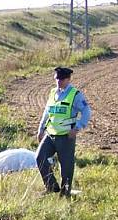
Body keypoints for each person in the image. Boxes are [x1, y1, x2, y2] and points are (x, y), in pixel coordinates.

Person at [36, 66, 91, 196]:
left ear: (68, 79)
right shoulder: (52, 92)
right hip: (50, 134)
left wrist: (78, 127)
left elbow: (86, 111)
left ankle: (65, 193)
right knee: (40, 157)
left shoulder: (75, 95)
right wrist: (41, 129)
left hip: (66, 136)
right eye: (57, 79)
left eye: (61, 79)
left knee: (66, 166)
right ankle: (51, 186)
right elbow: (47, 112)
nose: (58, 82)